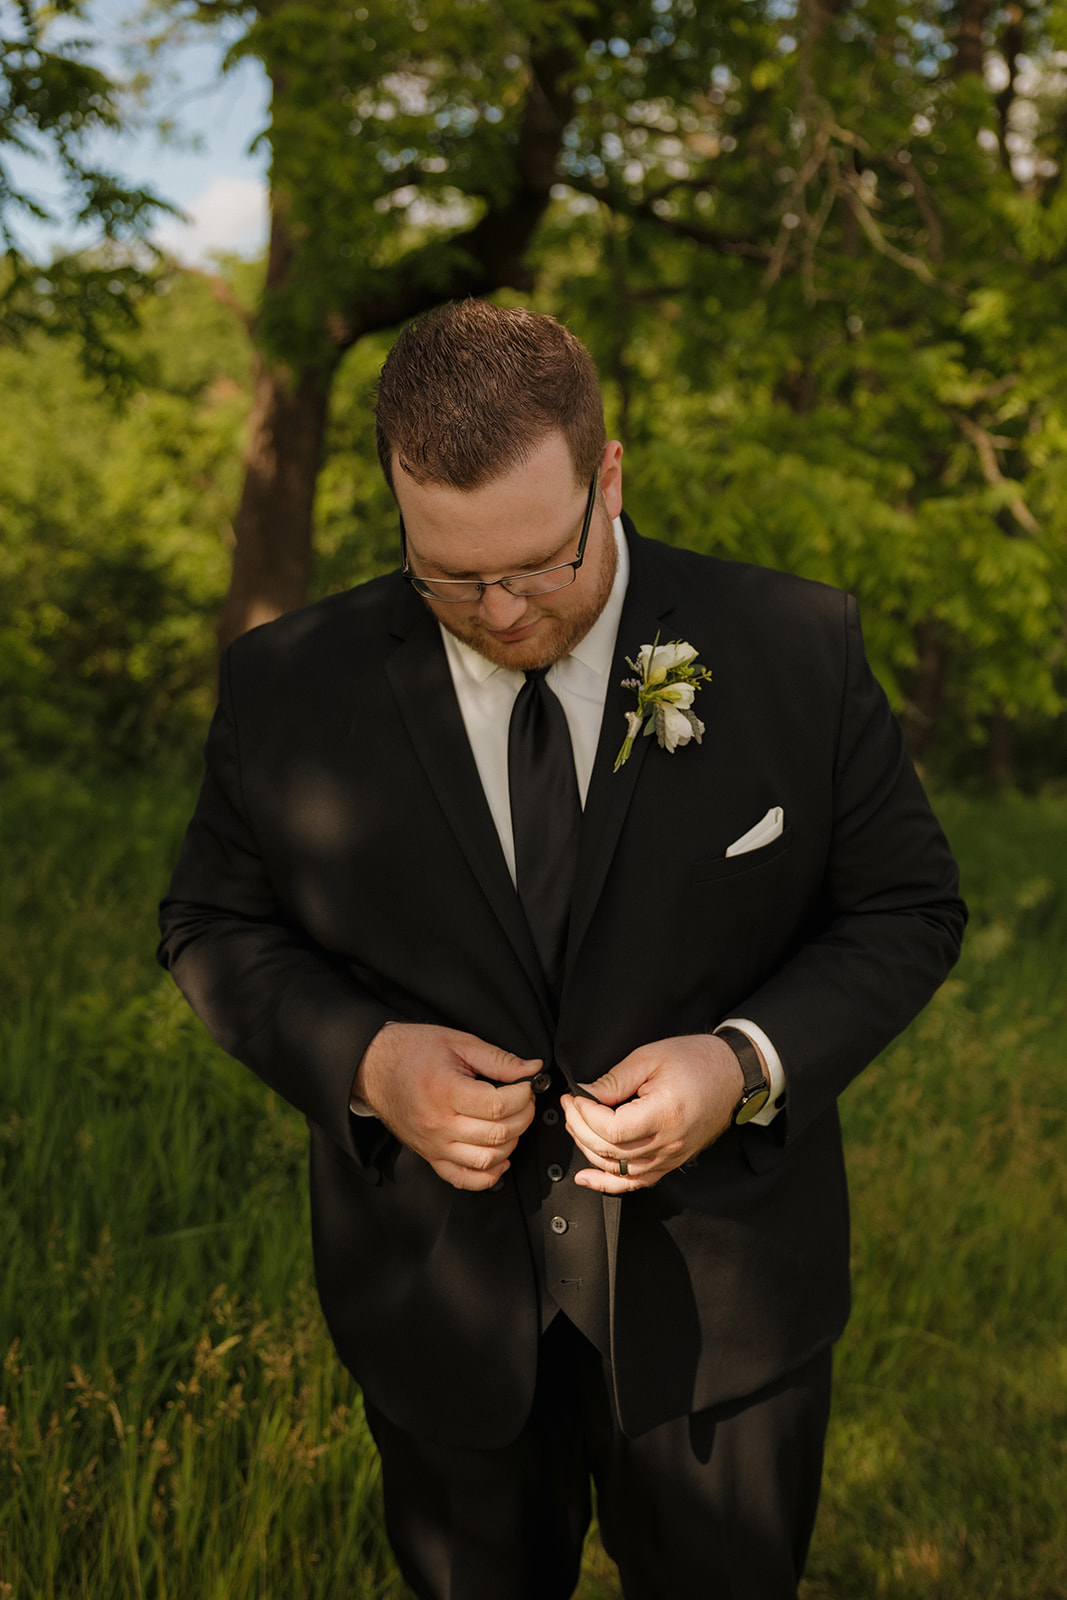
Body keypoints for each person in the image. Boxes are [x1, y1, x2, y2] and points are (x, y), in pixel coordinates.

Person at [158, 298, 966, 1600]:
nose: (502, 608)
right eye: (453, 573)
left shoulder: (795, 649)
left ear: (608, 477)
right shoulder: (287, 687)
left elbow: (909, 906)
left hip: (723, 1319)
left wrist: (741, 1063)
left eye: (539, 561)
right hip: (435, 1314)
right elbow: (210, 923)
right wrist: (371, 1065)